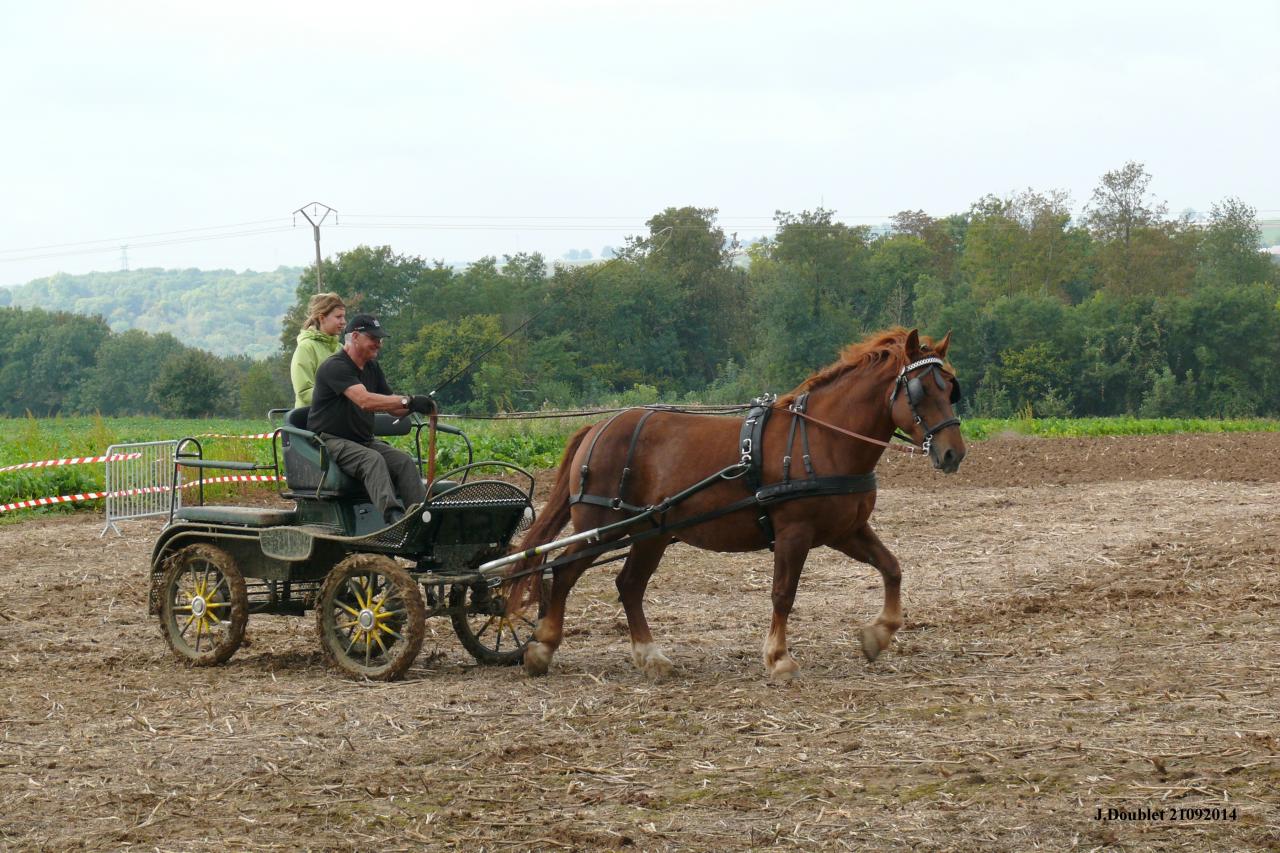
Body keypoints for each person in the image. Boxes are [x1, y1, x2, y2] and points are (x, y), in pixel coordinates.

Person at [307, 313, 435, 525]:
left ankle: (422, 519)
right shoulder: (336, 366)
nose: (378, 344)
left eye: (380, 339)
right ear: (355, 336)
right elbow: (365, 401)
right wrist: (407, 401)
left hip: (362, 441)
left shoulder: (372, 367)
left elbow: (395, 409)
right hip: (330, 441)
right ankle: (394, 519)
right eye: (373, 338)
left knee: (403, 461)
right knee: (372, 460)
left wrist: (417, 405)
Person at [290, 292, 347, 409]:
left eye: (343, 316)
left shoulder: (340, 348)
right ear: (322, 318)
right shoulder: (306, 348)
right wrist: (342, 396)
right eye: (338, 317)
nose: (343, 321)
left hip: (338, 415)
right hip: (311, 417)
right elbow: (304, 392)